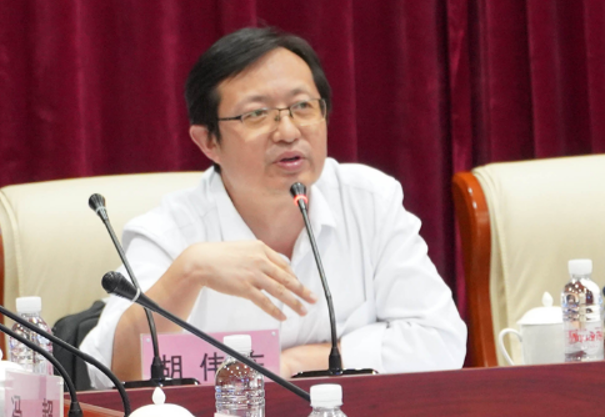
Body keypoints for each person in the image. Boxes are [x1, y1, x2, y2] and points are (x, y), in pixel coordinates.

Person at [81, 27, 467, 388]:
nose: (288, 132)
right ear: (208, 142)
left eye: (303, 106)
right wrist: (188, 273)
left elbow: (441, 340)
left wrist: (295, 363)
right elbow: (110, 374)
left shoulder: (369, 201)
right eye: (256, 114)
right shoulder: (170, 233)